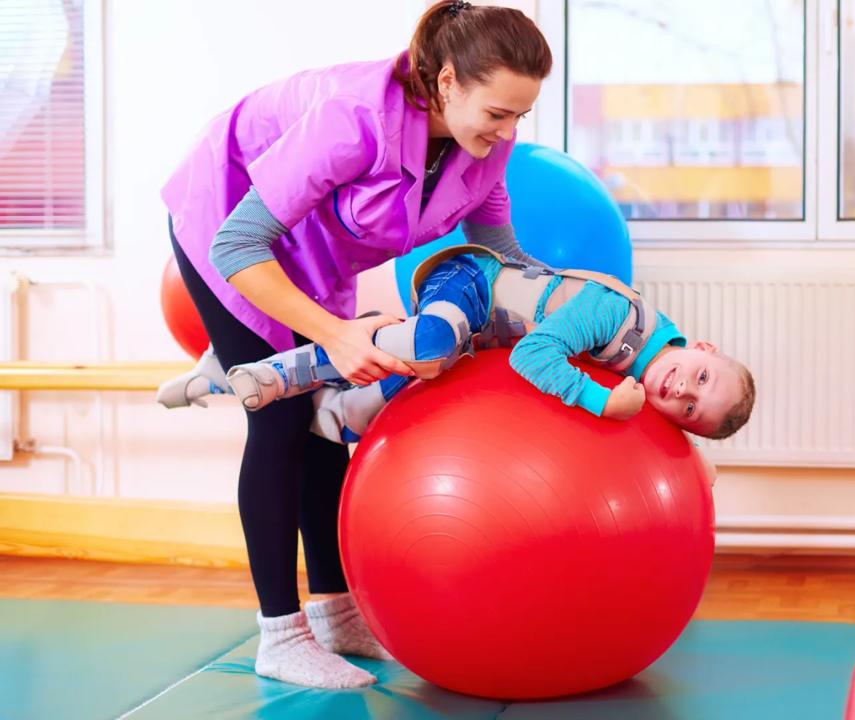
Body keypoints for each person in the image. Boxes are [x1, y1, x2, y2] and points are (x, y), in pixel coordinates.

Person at [159, 0, 552, 688]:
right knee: (281, 419)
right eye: (498, 112)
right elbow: (238, 243)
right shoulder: (353, 118)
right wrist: (336, 335)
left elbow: (499, 252)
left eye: (521, 115)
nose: (509, 130)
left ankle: (338, 613)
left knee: (322, 421)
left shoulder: (488, 148)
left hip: (313, 256)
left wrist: (572, 306)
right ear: (450, 81)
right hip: (228, 224)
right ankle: (280, 635)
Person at [179, 245, 757, 444]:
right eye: (698, 379)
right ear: (700, 346)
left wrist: (699, 468)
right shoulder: (618, 317)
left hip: (474, 344)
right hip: (470, 285)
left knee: (367, 414)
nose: (680, 389)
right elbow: (534, 356)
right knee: (430, 343)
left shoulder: (650, 369)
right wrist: (602, 404)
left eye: (688, 411)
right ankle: (282, 372)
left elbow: (666, 428)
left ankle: (224, 373)